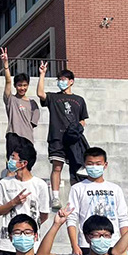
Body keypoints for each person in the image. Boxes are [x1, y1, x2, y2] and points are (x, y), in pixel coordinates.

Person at [36, 63, 89, 209]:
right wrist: (42, 74)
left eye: (64, 79)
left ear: (71, 81)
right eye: (59, 79)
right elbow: (40, 94)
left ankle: (77, 198)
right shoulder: (53, 97)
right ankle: (55, 197)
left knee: (76, 169)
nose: (61, 82)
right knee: (57, 167)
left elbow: (82, 120)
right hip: (57, 138)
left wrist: (77, 129)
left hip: (73, 139)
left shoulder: (79, 100)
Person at [67, 147, 128, 255]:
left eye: (98, 164)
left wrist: (126, 244)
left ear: (105, 165)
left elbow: (123, 219)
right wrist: (74, 245)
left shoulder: (115, 189)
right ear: (85, 165)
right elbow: (71, 218)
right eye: (90, 164)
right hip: (87, 244)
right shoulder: (77, 188)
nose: (94, 167)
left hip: (113, 244)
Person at [0, 142, 50, 253]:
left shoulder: (40, 185)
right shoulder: (4, 183)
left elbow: (44, 215)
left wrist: (28, 228)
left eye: (13, 158)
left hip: (31, 243)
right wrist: (13, 202)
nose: (10, 161)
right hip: (7, 244)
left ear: (24, 163)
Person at [0, 48, 40, 152]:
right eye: (19, 85)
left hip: (27, 138)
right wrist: (6, 64)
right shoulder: (11, 99)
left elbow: (33, 123)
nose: (22, 88)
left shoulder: (33, 104)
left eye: (25, 85)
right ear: (15, 86)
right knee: (12, 161)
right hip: (13, 136)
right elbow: (8, 81)